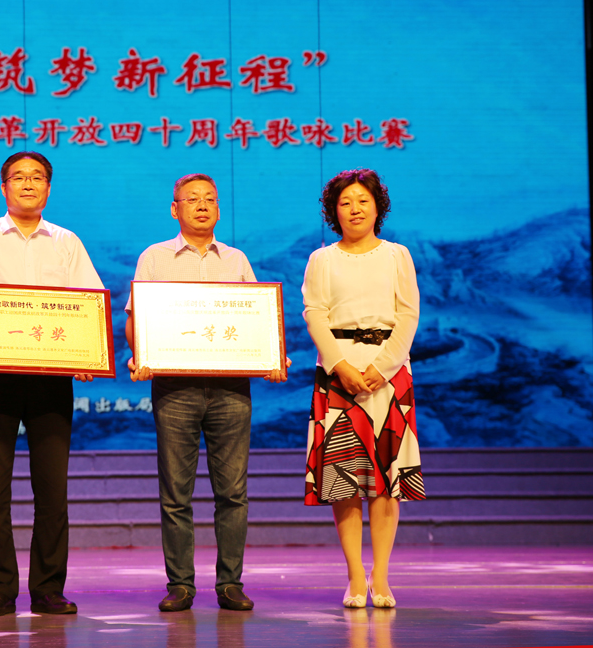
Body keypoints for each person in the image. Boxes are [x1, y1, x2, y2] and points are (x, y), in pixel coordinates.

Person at [125, 173, 289, 612]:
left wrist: (272, 356)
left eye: (210, 199)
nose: (202, 205)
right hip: (174, 389)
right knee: (175, 495)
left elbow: (258, 321)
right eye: (192, 199)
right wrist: (141, 355)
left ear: (218, 208)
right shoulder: (154, 258)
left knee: (232, 493)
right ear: (174, 209)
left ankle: (230, 584)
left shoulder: (236, 260)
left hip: (230, 390)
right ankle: (180, 585)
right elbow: (135, 319)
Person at [0, 151, 103, 617]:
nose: (29, 184)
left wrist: (86, 354)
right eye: (19, 177)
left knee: (52, 491)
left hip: (50, 380)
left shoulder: (67, 242)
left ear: (49, 189)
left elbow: (87, 303)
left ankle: (48, 590)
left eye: (38, 177)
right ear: (4, 188)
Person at [301, 168, 425, 609]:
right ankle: (356, 574)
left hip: (389, 376)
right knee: (344, 480)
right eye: (345, 202)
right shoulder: (322, 259)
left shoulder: (397, 255)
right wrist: (340, 365)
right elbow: (314, 312)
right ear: (333, 211)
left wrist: (382, 367)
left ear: (378, 208)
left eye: (363, 201)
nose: (354, 209)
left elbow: (407, 314)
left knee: (387, 481)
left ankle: (382, 576)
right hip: (337, 376)